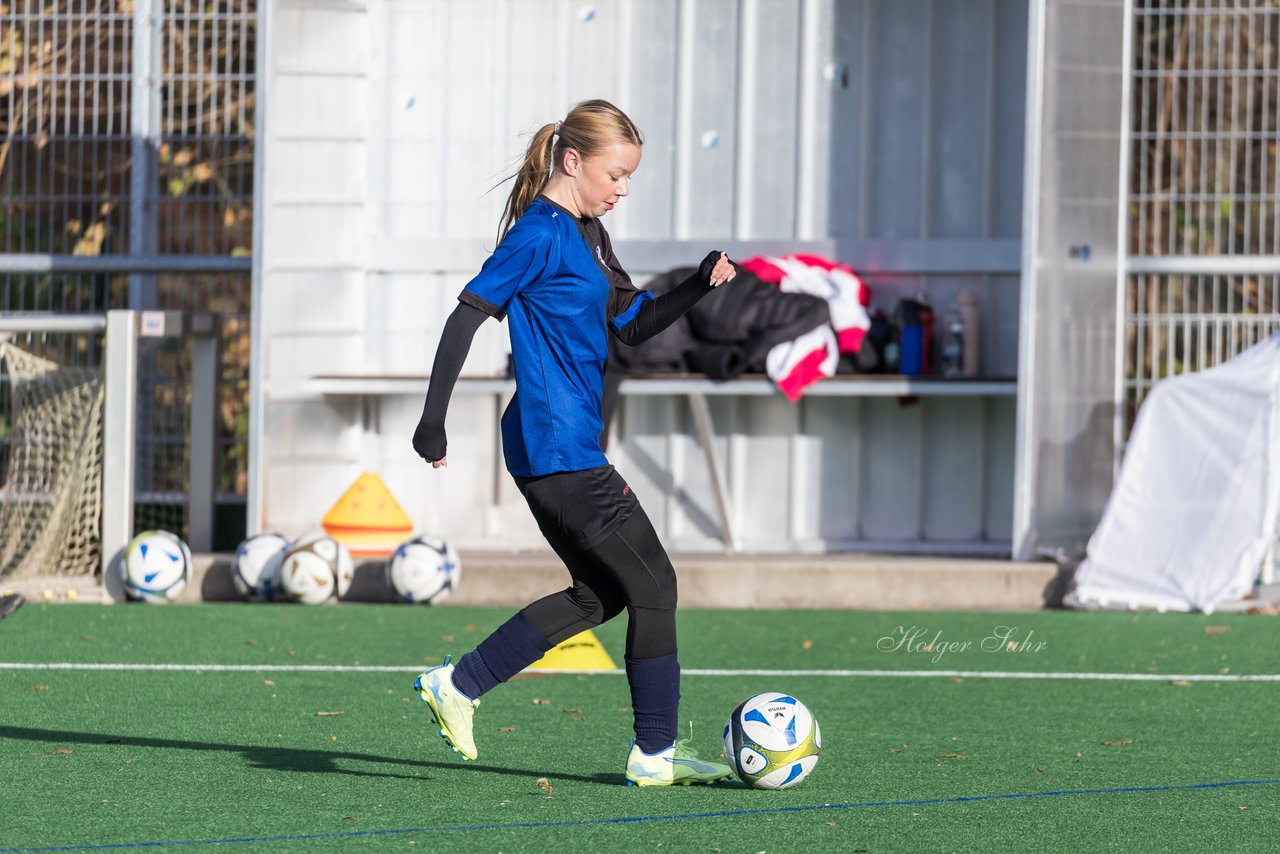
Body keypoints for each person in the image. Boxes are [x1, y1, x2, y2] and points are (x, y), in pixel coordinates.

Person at [410, 99, 737, 787]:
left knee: (600, 595)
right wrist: (431, 420)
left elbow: (634, 325)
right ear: (572, 161)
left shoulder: (589, 234)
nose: (622, 189)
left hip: (562, 446)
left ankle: (460, 685)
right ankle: (654, 755)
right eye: (616, 174)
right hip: (558, 448)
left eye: (629, 178)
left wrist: (696, 286)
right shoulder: (538, 234)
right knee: (656, 585)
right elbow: (465, 318)